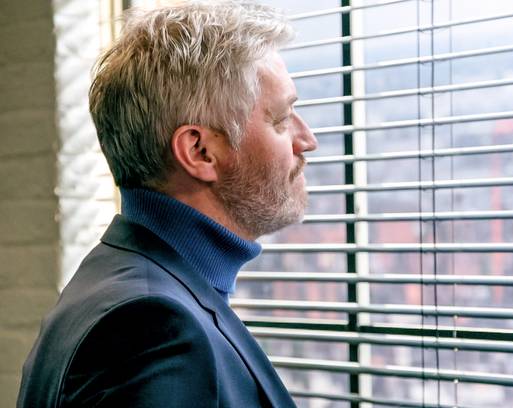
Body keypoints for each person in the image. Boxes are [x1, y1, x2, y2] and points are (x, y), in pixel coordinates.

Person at [17, 1, 317, 407]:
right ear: (199, 151)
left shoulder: (115, 282)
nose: (307, 140)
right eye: (280, 120)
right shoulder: (153, 328)